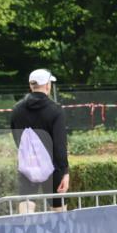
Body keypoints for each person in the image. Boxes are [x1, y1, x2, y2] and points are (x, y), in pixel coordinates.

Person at [10, 69, 70, 213]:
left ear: (31, 86)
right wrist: (65, 172)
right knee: (58, 208)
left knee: (26, 202)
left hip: (27, 164)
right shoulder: (55, 110)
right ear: (48, 85)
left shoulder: (17, 110)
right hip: (53, 167)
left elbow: (16, 137)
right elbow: (60, 145)